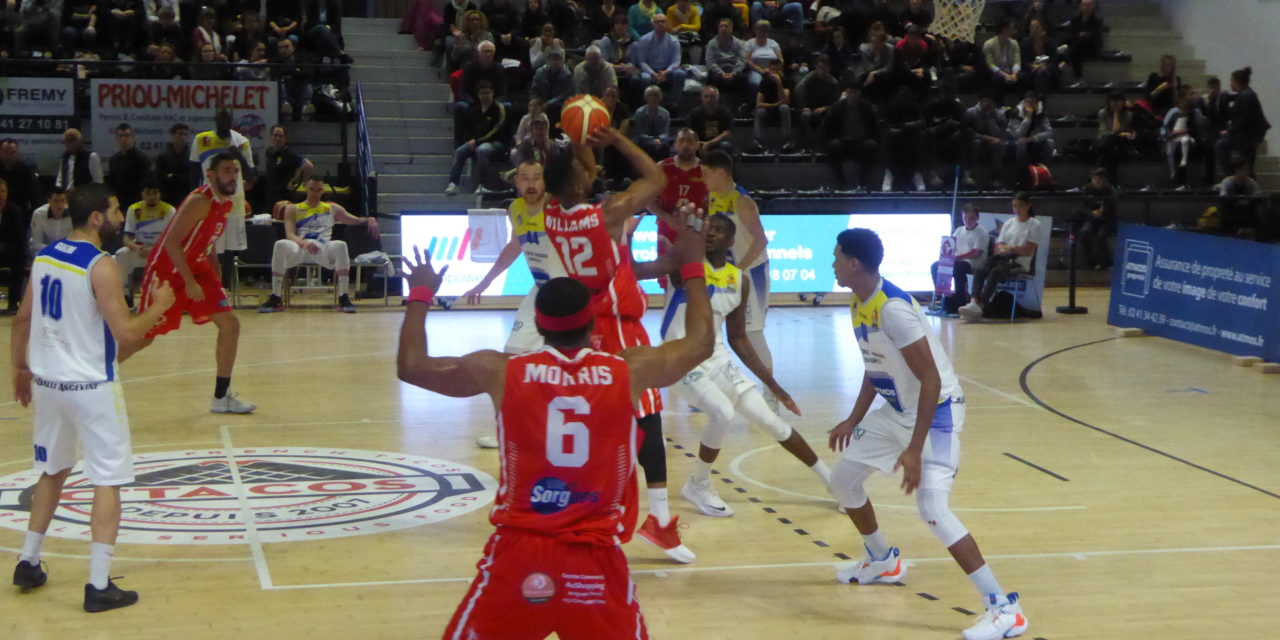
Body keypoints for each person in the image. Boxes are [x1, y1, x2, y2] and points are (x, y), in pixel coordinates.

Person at [399, 222, 714, 640]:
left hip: (520, 552)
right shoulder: (628, 371)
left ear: (539, 324)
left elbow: (412, 366)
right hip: (595, 557)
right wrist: (693, 266)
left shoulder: (501, 372)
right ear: (591, 324)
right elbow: (700, 343)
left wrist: (420, 293)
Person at [828, 227, 1029, 640]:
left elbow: (932, 381)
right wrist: (853, 419)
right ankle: (883, 560)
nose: (831, 263)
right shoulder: (859, 302)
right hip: (900, 409)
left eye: (836, 257)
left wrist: (914, 448)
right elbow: (875, 366)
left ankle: (1006, 608)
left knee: (933, 509)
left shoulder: (893, 309)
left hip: (936, 413)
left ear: (853, 264)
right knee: (843, 480)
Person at [9, 184, 177, 612]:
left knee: (52, 471)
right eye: (117, 209)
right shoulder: (101, 266)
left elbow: (23, 319)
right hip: (91, 388)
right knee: (107, 480)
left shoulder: (45, 257)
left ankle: (28, 561)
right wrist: (159, 306)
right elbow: (126, 333)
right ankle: (99, 585)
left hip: (49, 385)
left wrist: (20, 370)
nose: (122, 216)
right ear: (98, 218)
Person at [542, 128, 694, 563]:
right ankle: (657, 521)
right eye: (585, 168)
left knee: (611, 425)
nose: (593, 167)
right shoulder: (605, 215)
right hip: (618, 330)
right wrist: (619, 138)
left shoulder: (555, 213)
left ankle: (583, 510)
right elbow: (656, 179)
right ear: (576, 184)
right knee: (647, 422)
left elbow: (625, 266)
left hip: (593, 328)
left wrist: (579, 138)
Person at [669, 213, 831, 517]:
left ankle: (832, 482)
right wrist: (687, 229)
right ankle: (698, 484)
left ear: (731, 242)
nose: (712, 233)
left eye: (719, 231)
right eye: (709, 228)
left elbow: (739, 338)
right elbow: (678, 271)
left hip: (716, 357)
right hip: (678, 355)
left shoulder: (738, 280)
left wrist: (774, 385)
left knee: (771, 421)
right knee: (722, 412)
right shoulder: (686, 266)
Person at [128, 153, 256, 414]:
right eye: (227, 170)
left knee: (230, 325)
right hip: (168, 271)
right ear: (212, 175)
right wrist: (188, 282)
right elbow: (172, 242)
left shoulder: (227, 202)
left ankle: (221, 396)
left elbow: (207, 240)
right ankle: (95, 377)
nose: (233, 175)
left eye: (236, 170)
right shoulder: (199, 201)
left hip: (198, 268)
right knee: (144, 337)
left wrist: (215, 273)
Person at [259, 176, 378, 313]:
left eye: (319, 190)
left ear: (323, 191)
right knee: (280, 244)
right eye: (312, 189)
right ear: (305, 188)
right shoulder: (293, 208)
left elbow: (355, 220)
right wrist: (304, 243)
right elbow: (290, 234)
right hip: (300, 248)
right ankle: (275, 297)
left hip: (323, 249)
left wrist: (370, 219)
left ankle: (343, 297)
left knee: (341, 245)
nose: (315, 193)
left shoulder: (331, 208)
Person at [702, 149, 773, 375]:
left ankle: (772, 394)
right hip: (724, 274)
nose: (702, 179)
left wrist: (737, 270)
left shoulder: (742, 202)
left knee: (752, 333)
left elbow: (761, 240)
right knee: (710, 329)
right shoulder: (711, 199)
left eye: (705, 173)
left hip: (751, 274)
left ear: (720, 173)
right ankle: (707, 382)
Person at [958, 192, 1041, 321]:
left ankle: (982, 305)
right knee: (980, 270)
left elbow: (1028, 251)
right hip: (1003, 259)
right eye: (1014, 206)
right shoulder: (1008, 223)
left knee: (995, 272)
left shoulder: (1034, 224)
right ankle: (973, 302)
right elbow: (999, 246)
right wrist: (1010, 248)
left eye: (1019, 206)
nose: (1016, 210)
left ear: (1028, 206)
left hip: (1020, 263)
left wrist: (1010, 248)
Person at [191, 109, 255, 262]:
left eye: (228, 119)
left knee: (231, 252)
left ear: (232, 121)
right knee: (211, 249)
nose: (224, 122)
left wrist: (238, 155)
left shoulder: (241, 142)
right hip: (209, 203)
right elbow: (193, 173)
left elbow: (251, 177)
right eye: (221, 118)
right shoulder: (201, 139)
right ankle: (212, 284)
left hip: (234, 204)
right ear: (215, 119)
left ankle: (228, 286)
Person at [445, 81, 510, 196]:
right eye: (482, 93)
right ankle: (453, 183)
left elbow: (497, 130)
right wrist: (470, 139)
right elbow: (466, 129)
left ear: (492, 93)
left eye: (487, 93)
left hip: (496, 142)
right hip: (475, 141)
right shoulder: (474, 110)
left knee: (482, 151)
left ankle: (480, 184)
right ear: (478, 95)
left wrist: (478, 141)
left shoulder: (499, 109)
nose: (485, 96)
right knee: (460, 151)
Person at [115, 180, 174, 296]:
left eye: (155, 193)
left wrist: (154, 250)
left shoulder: (169, 210)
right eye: (148, 193)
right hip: (141, 250)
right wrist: (137, 248)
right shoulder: (134, 209)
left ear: (160, 194)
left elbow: (171, 239)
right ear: (142, 193)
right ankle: (125, 295)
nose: (151, 197)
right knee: (120, 255)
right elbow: (126, 238)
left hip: (161, 251)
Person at [823, 79, 882, 190]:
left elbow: (875, 127)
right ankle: (840, 181)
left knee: (871, 145)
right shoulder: (837, 108)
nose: (853, 95)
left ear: (859, 93)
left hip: (861, 141)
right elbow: (827, 129)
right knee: (834, 145)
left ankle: (862, 180)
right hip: (843, 141)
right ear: (846, 92)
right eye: (850, 92)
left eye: (855, 92)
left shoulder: (866, 106)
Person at [1216, 67, 1271, 180]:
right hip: (1248, 134)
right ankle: (1240, 177)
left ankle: (1231, 175)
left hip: (1248, 136)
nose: (1230, 84)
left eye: (1231, 81)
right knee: (1247, 163)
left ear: (1237, 81)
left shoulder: (1245, 96)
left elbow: (1243, 119)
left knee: (1221, 146)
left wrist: (1230, 130)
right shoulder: (1247, 94)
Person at [930, 203, 988, 308]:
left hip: (973, 262)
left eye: (971, 218)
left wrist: (957, 258)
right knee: (936, 266)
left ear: (977, 217)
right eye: (965, 217)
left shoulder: (981, 233)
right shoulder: (959, 230)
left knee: (958, 268)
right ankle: (944, 295)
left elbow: (976, 253)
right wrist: (945, 257)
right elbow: (950, 247)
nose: (968, 220)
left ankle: (960, 299)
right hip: (958, 259)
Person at [629, 13, 685, 111]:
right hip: (649, 71)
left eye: (663, 21)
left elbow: (676, 62)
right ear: (653, 25)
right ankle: (647, 106)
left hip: (667, 71)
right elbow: (642, 62)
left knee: (680, 74)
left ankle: (673, 104)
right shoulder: (644, 39)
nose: (660, 24)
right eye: (657, 22)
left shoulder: (674, 41)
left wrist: (666, 72)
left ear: (667, 24)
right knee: (645, 78)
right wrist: (653, 73)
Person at [963, 91, 1010, 189]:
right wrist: (985, 138)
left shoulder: (999, 114)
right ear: (980, 101)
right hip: (975, 140)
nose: (987, 103)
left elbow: (999, 134)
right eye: (985, 100)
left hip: (991, 143)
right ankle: (968, 175)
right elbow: (968, 132)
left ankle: (996, 178)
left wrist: (990, 119)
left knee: (999, 145)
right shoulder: (970, 112)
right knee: (975, 143)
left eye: (990, 101)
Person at [1006, 92, 1054, 186]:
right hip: (1014, 142)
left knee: (1050, 142)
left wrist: (1034, 138)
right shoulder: (1016, 113)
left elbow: (1049, 132)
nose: (1030, 105)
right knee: (1021, 144)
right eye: (1027, 102)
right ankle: (1022, 178)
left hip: (1032, 141)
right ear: (1023, 102)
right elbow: (1018, 135)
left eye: (1033, 103)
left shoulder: (1041, 114)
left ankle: (1045, 175)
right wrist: (1027, 119)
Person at [795, 54, 840, 152]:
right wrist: (804, 106)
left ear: (829, 69)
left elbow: (836, 103)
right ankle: (805, 147)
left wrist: (825, 108)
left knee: (829, 117)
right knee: (804, 116)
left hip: (825, 109)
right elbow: (799, 89)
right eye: (820, 68)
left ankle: (822, 147)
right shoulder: (811, 76)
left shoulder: (833, 82)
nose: (822, 71)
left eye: (824, 68)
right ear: (816, 67)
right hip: (809, 107)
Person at [1074, 168, 1117, 270]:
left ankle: (1107, 263)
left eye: (1100, 179)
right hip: (1092, 219)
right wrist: (1091, 212)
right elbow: (1081, 206)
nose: (1097, 181)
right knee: (1084, 233)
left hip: (1107, 220)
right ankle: (1090, 263)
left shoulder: (1111, 190)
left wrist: (1103, 211)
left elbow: (1113, 205)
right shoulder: (1087, 189)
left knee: (1101, 235)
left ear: (1105, 180)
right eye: (1095, 179)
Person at [262, 125, 315, 207]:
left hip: (284, 199)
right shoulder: (269, 152)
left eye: (280, 136)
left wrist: (297, 181)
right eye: (275, 135)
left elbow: (309, 166)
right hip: (271, 197)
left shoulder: (289, 155)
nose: (277, 139)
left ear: (285, 138)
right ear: (271, 137)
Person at [750, 58, 794, 153]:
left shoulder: (787, 81)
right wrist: (774, 105)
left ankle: (786, 140)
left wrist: (779, 83)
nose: (775, 72)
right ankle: (757, 141)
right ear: (769, 70)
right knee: (759, 112)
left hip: (780, 111)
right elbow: (759, 103)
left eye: (777, 70)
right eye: (772, 69)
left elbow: (785, 100)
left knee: (784, 108)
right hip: (769, 110)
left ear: (781, 71)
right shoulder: (764, 82)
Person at [106, 124, 152, 209]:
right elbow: (111, 183)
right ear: (116, 138)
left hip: (136, 203)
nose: (124, 139)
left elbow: (145, 184)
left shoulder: (141, 159)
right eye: (121, 136)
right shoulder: (114, 159)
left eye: (127, 135)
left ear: (133, 137)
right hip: (118, 204)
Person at [1096, 92, 1136, 186]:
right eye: (1113, 101)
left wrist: (1120, 134)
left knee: (1108, 150)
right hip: (1106, 140)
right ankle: (1113, 183)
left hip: (1120, 143)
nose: (1116, 104)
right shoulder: (1102, 113)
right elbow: (1103, 130)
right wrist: (1115, 134)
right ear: (1109, 102)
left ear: (1123, 102)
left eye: (1119, 101)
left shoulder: (1128, 115)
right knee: (1112, 150)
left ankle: (1096, 176)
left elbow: (1126, 130)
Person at [155, 123, 199, 210]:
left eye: (185, 134)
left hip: (186, 198)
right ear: (172, 136)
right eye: (179, 134)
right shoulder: (163, 156)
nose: (182, 137)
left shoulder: (192, 156)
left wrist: (173, 176)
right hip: (167, 198)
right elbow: (159, 178)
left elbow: (192, 178)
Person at [0, 179, 27, 315]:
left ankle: (12, 303)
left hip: (11, 252)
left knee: (19, 261)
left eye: (3, 191)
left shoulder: (15, 211)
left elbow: (19, 239)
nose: (1, 195)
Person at [1162, 97, 1200, 189]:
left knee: (1185, 142)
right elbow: (1167, 126)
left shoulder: (1192, 115)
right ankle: (1173, 174)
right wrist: (1170, 134)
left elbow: (1193, 129)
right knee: (1169, 152)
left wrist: (1181, 132)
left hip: (1187, 138)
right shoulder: (1174, 114)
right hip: (1174, 138)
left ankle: (1183, 167)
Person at [704, 17, 748, 99]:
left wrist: (733, 73)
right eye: (721, 26)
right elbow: (710, 61)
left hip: (734, 70)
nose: (723, 28)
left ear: (731, 29)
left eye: (726, 26)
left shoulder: (739, 43)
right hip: (718, 70)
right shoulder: (712, 43)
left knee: (743, 77)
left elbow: (742, 60)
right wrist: (721, 73)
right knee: (713, 76)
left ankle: (741, 104)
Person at [687, 86, 736, 155]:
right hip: (700, 142)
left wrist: (709, 143)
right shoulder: (695, 113)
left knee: (725, 145)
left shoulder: (725, 112)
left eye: (712, 97)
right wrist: (699, 144)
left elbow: (727, 133)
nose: (709, 99)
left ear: (717, 98)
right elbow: (692, 132)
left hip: (718, 142)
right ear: (702, 98)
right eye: (706, 97)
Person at [630, 85, 673, 160]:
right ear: (646, 97)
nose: (653, 98)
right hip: (643, 140)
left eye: (656, 95)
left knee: (665, 146)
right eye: (650, 95)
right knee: (650, 146)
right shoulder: (640, 112)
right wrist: (653, 139)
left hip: (659, 140)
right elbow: (639, 133)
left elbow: (665, 132)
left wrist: (658, 139)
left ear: (660, 97)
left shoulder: (665, 113)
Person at [530, 49, 573, 122]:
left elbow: (565, 94)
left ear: (562, 62)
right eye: (552, 59)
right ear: (548, 61)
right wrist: (536, 101)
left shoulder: (567, 75)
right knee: (533, 106)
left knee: (556, 107)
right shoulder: (539, 73)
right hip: (542, 100)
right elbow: (534, 90)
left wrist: (549, 103)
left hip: (559, 102)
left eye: (558, 60)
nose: (555, 62)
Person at [1064, 0, 1103, 79]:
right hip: (1078, 47)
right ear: (1080, 6)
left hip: (1091, 47)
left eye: (1088, 5)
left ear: (1093, 7)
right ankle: (1078, 76)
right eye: (1084, 5)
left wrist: (1085, 35)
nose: (1086, 7)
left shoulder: (1097, 21)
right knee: (1078, 45)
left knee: (1081, 40)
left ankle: (1065, 62)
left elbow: (1095, 36)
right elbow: (1071, 35)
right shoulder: (1075, 19)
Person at [29, 187, 73, 255]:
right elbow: (36, 243)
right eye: (55, 200)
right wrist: (54, 250)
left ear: (66, 201)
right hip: (46, 251)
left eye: (62, 200)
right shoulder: (39, 214)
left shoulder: (73, 213)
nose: (59, 205)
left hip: (67, 251)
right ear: (49, 201)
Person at [983, 16, 1020, 96]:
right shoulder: (989, 44)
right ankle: (1000, 104)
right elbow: (991, 65)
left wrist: (1014, 74)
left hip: (1011, 71)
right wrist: (1005, 75)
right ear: (1004, 29)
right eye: (1012, 28)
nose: (1014, 31)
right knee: (998, 78)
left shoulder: (1014, 43)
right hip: (996, 72)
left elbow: (1017, 61)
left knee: (1023, 77)